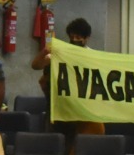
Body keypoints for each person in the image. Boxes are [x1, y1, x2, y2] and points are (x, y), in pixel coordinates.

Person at [33, 17, 104, 146]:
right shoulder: (61, 52)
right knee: (55, 144)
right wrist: (45, 50)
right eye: (72, 37)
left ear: (86, 38)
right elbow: (36, 65)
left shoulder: (93, 57)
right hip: (59, 107)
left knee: (78, 145)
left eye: (78, 37)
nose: (74, 40)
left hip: (82, 109)